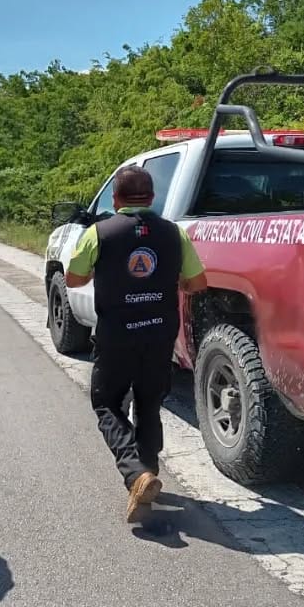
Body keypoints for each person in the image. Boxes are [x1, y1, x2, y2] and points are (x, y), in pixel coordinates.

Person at [65, 165, 207, 522]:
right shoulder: (174, 233)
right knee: (149, 404)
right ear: (152, 197)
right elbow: (197, 283)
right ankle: (146, 477)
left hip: (117, 335)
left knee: (107, 404)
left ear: (115, 199)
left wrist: (101, 270)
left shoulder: (99, 233)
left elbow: (73, 279)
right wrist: (176, 282)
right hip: (159, 334)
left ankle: (135, 473)